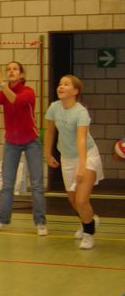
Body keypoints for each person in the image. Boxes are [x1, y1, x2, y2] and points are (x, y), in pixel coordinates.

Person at [0, 61, 47, 235]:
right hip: (11, 142)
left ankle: (40, 222)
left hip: (31, 141)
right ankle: (1, 220)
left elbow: (16, 101)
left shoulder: (28, 92)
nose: (11, 71)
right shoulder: (3, 92)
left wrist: (1, 83)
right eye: (8, 69)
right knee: (7, 184)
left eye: (15, 69)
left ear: (22, 75)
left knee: (36, 184)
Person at [44, 75, 103, 249]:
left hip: (87, 155)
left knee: (82, 200)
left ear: (75, 91)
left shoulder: (81, 112)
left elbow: (81, 141)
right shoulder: (54, 108)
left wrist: (82, 166)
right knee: (73, 200)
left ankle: (88, 233)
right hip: (67, 157)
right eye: (60, 84)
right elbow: (49, 132)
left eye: (66, 84)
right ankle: (90, 221)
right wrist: (47, 154)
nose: (60, 87)